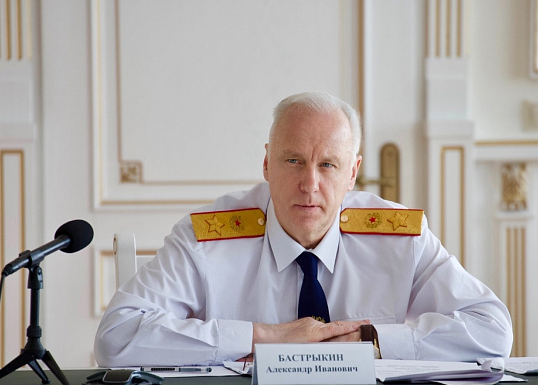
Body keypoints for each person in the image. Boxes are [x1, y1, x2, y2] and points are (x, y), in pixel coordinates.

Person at [94, 92, 512, 367]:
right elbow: (115, 337)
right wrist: (265, 338)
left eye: (327, 165)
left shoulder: (399, 237)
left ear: (352, 173)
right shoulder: (208, 237)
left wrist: (371, 341)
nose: (309, 184)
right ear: (266, 163)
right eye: (293, 161)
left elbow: (492, 330)